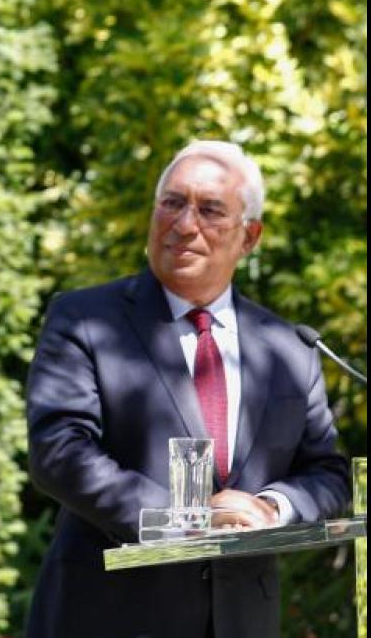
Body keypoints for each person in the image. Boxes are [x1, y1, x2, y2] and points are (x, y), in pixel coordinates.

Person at [25, 141, 350, 638]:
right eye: (172, 203)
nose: (183, 224)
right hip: (112, 616)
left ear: (250, 236)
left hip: (242, 621)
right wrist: (188, 519)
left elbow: (326, 472)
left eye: (210, 210)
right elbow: (59, 451)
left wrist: (270, 508)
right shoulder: (85, 319)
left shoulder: (289, 347)